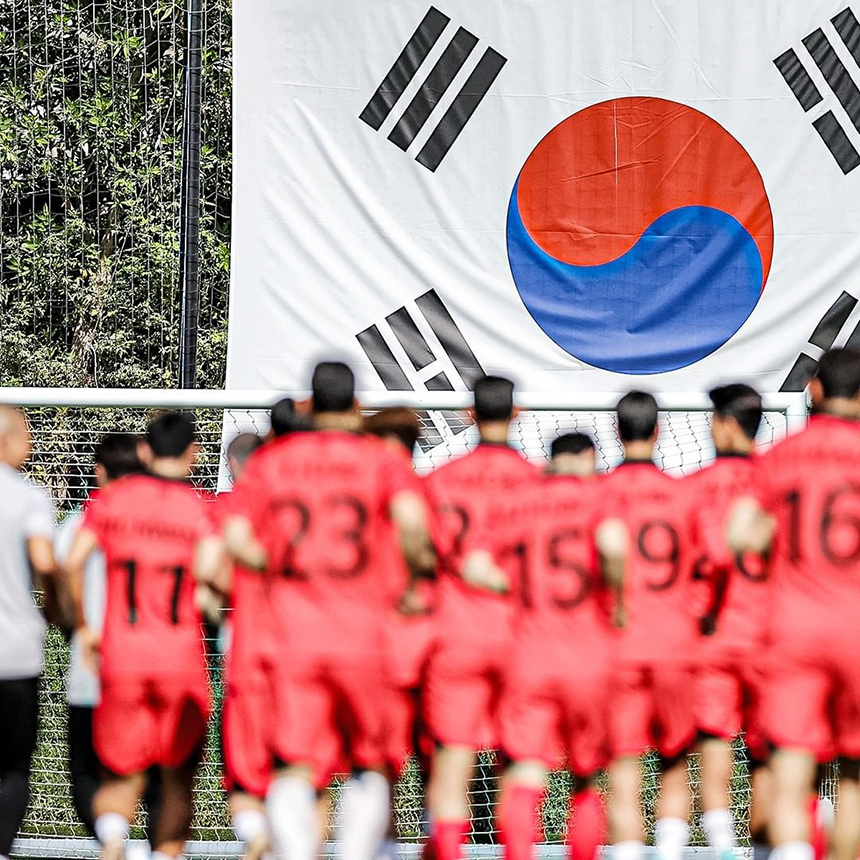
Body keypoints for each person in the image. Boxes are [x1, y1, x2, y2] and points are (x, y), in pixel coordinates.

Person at [222, 362, 432, 860]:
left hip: (293, 636)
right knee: (369, 758)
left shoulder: (274, 462)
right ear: (356, 406)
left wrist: (276, 563)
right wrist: (411, 578)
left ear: (310, 406)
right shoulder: (379, 460)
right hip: (364, 633)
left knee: (295, 760)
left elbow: (233, 536)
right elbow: (412, 522)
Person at [66, 411, 216, 860]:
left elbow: (73, 562)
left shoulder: (113, 502)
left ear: (145, 451)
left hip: (123, 655)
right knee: (176, 778)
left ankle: (114, 840)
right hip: (179, 658)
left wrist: (83, 627)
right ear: (193, 454)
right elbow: (215, 573)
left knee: (119, 771)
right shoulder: (199, 509)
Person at [729, 348, 860, 860]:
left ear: (815, 389)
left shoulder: (781, 456)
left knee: (789, 771)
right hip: (855, 630)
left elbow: (739, 535)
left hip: (792, 627)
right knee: (853, 778)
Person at [477, 432, 624, 860]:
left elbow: (475, 565)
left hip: (530, 653)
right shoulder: (599, 498)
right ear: (588, 458)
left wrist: (515, 587)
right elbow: (614, 547)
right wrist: (617, 596)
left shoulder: (519, 502)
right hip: (587, 653)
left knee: (524, 771)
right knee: (586, 774)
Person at [421, 376, 541, 860]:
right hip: (522, 638)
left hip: (457, 636)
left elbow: (419, 555)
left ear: (470, 414)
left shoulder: (438, 482)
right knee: (520, 761)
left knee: (453, 763)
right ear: (516, 413)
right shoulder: (539, 483)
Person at [602, 392, 700, 860]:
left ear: (616, 432)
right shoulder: (686, 496)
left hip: (618, 644)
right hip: (674, 643)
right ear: (658, 431)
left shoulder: (598, 495)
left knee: (623, 765)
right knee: (675, 763)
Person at [684, 385, 769, 860]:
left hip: (711, 634)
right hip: (768, 638)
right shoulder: (778, 481)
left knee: (713, 746)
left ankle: (722, 849)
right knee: (769, 755)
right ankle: (769, 851)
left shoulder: (692, 488)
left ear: (724, 424)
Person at [56, 434, 149, 837]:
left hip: (92, 664)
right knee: (149, 769)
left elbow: (60, 575)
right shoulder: (164, 522)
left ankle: (113, 839)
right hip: (151, 663)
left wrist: (74, 626)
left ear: (99, 471)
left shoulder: (80, 522)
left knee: (86, 769)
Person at [364, 407, 437, 858]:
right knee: (441, 760)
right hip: (433, 641)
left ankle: (384, 849)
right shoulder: (435, 490)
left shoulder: (369, 492)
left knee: (378, 763)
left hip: (380, 643)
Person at [0, 406, 61, 860]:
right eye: (27, 434)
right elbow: (43, 561)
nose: (33, 444)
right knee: (13, 766)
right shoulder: (27, 497)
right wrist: (58, 609)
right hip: (14, 652)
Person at [214, 433, 275, 860]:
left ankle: (256, 833)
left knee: (243, 764)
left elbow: (210, 570)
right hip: (302, 647)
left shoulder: (225, 509)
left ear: (232, 465)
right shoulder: (294, 506)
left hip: (245, 644)